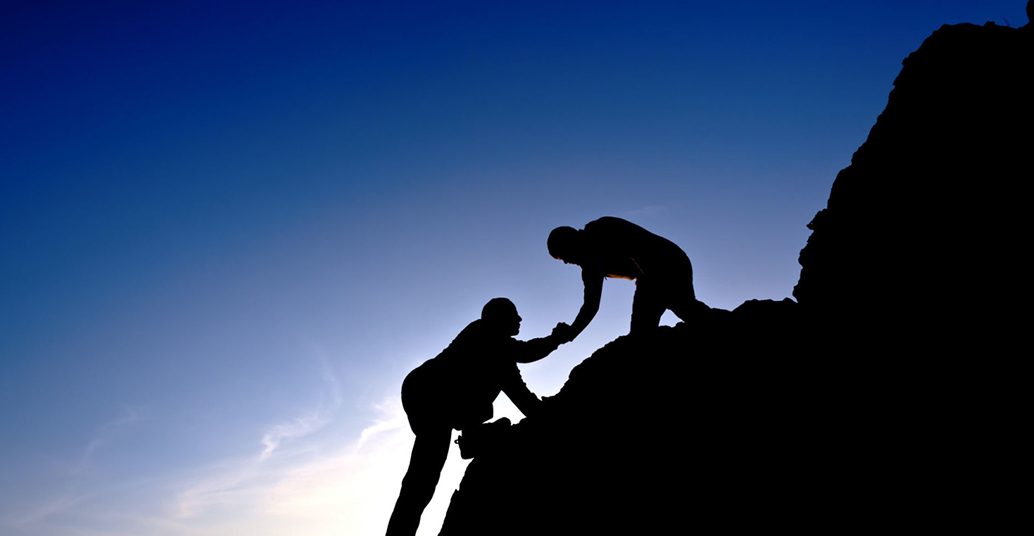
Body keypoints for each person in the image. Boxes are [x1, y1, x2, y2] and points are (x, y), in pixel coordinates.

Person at [386, 298, 567, 536]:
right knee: (421, 481)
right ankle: (471, 436)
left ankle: (472, 435)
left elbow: (522, 394)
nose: (520, 319)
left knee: (422, 481)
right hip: (427, 395)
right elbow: (525, 357)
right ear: (499, 318)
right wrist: (557, 339)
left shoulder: (500, 356)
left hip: (437, 400)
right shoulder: (484, 334)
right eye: (514, 314)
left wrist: (547, 413)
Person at [548, 216, 706, 340]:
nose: (567, 262)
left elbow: (637, 245)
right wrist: (571, 333)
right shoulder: (590, 267)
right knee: (684, 313)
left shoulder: (601, 228)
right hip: (658, 272)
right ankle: (719, 326)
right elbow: (591, 305)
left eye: (563, 256)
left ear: (570, 242)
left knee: (648, 330)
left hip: (669, 261)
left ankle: (723, 326)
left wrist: (650, 283)